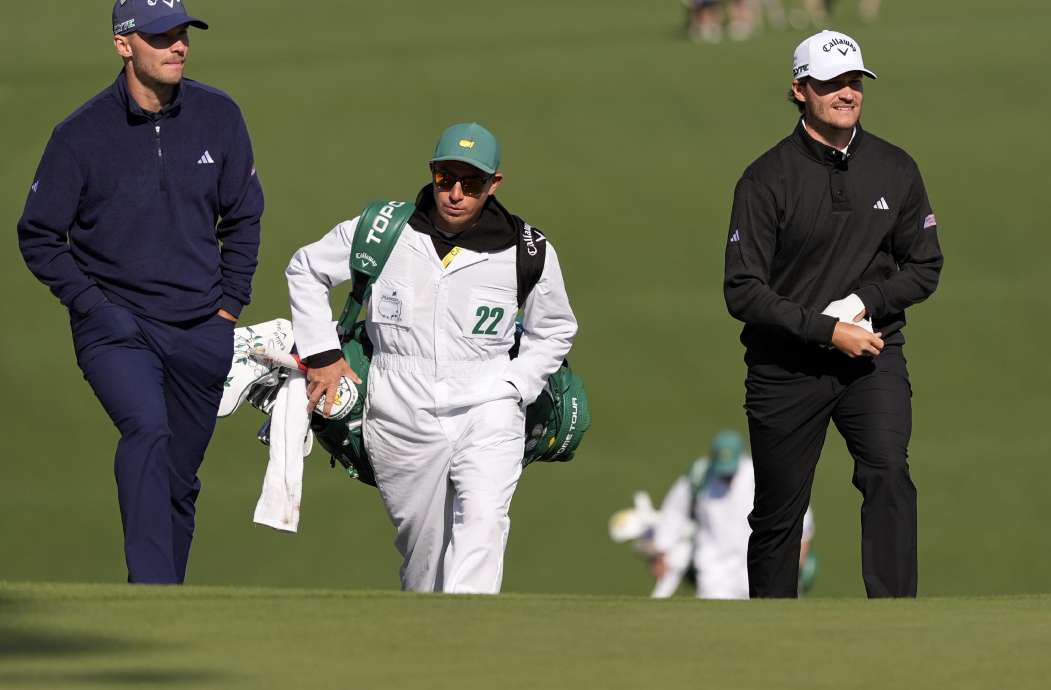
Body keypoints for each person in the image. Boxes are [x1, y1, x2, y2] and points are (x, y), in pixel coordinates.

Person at [16, 1, 263, 585]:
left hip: (203, 327)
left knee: (178, 480)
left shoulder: (219, 116)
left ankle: (164, 607)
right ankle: (150, 591)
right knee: (147, 431)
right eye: (161, 37)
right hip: (119, 328)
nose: (177, 46)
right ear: (124, 45)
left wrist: (229, 307)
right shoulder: (80, 135)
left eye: (182, 34)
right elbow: (40, 234)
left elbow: (245, 216)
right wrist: (95, 309)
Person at [286, 122, 577, 594]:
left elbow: (556, 328)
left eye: (472, 183)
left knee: (483, 522)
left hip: (489, 404)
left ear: (494, 184)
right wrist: (322, 354)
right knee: (424, 560)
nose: (456, 194)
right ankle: (430, 640)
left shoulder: (528, 249)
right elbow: (306, 268)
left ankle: (471, 643)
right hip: (398, 405)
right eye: (446, 179)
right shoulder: (384, 228)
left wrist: (515, 386)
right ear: (432, 174)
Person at [723, 30, 943, 598]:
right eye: (829, 83)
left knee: (889, 475)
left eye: (853, 82)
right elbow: (743, 290)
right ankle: (774, 640)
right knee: (778, 516)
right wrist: (825, 330)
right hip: (785, 368)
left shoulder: (895, 169)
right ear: (800, 90)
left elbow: (924, 266)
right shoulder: (765, 179)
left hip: (871, 356)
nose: (845, 93)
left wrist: (866, 306)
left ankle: (895, 624)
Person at [644, 431, 815, 599]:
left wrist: (796, 562)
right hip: (713, 569)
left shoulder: (760, 474)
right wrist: (661, 552)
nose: (726, 475)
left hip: (757, 563)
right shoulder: (699, 475)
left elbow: (799, 516)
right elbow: (674, 513)